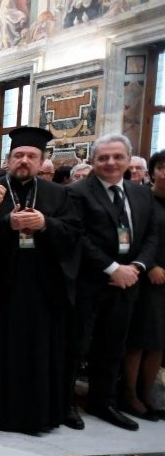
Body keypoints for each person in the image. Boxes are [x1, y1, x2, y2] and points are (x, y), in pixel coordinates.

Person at [0, 126, 80, 433]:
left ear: (41, 161)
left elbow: (74, 234)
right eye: (18, 155)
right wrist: (5, 221)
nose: (24, 161)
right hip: (0, 286)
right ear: (8, 159)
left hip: (43, 286)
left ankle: (38, 415)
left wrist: (45, 223)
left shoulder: (58, 195)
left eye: (31, 156)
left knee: (38, 352)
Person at [69, 134, 159, 431]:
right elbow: (78, 236)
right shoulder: (78, 192)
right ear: (93, 161)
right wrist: (111, 268)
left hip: (128, 283)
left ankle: (103, 401)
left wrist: (136, 266)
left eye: (117, 157)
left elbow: (150, 236)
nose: (110, 163)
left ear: (127, 159)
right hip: (90, 284)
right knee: (79, 345)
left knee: (113, 346)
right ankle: (67, 403)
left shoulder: (141, 193)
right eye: (103, 157)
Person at [122, 150, 165, 420]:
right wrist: (149, 265)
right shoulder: (143, 200)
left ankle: (148, 392)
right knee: (140, 338)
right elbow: (137, 237)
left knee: (160, 341)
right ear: (153, 172)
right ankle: (130, 393)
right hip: (147, 278)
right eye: (163, 168)